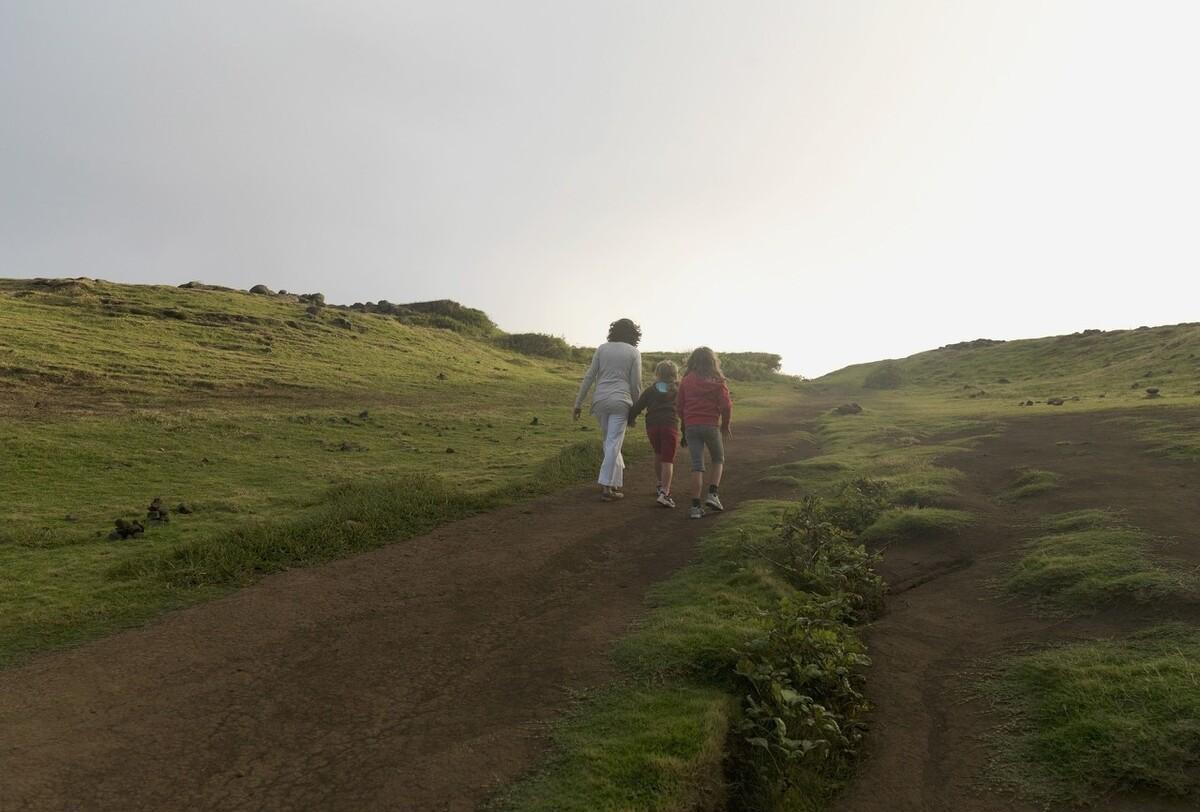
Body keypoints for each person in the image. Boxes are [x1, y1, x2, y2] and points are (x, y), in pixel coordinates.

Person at [574, 318, 643, 501]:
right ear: (633, 334)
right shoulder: (634, 352)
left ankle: (613, 483)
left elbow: (589, 377)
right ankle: (606, 486)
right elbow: (636, 385)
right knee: (613, 443)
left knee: (609, 442)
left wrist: (578, 403)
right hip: (621, 402)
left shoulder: (602, 348)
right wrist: (636, 410)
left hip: (600, 401)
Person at [677, 347, 732, 519]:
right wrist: (725, 424)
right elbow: (726, 406)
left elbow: (680, 406)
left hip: (692, 426)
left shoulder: (686, 380)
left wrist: (685, 425)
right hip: (711, 425)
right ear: (712, 361)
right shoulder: (718, 381)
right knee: (718, 459)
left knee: (697, 466)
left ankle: (694, 507)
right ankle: (713, 494)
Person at [628, 359, 681, 508]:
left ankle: (660, 485)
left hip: (652, 426)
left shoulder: (651, 390)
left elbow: (638, 406)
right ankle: (665, 492)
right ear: (675, 375)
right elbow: (683, 409)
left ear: (657, 374)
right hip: (669, 426)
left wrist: (630, 419)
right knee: (668, 460)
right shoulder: (677, 390)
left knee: (658, 454)